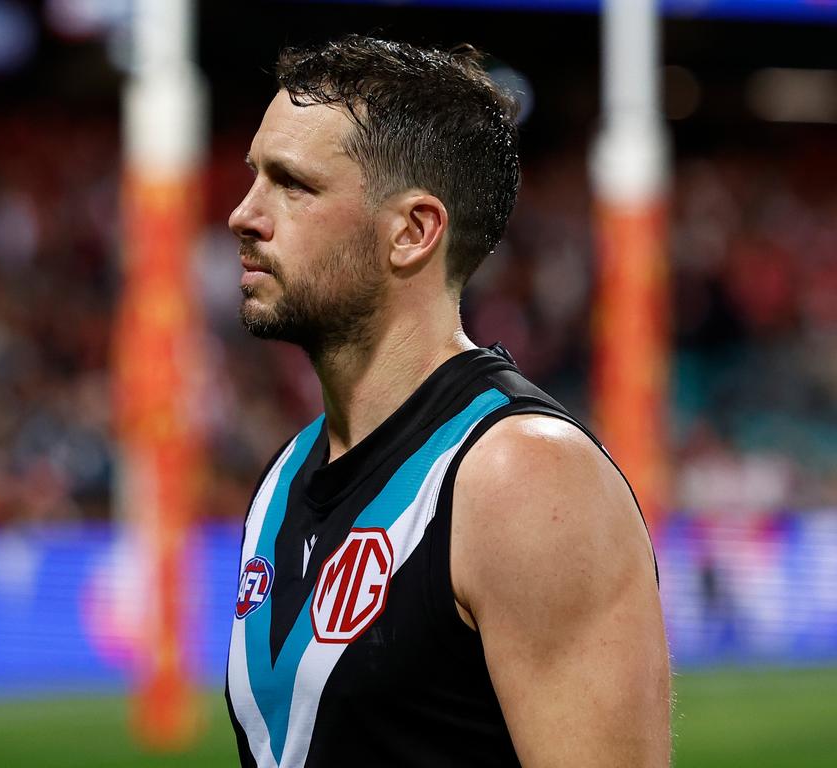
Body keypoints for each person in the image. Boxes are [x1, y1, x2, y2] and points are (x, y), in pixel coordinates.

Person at [224, 35, 670, 767]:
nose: (245, 214)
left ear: (413, 232)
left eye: (292, 185)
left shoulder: (523, 480)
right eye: (253, 178)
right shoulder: (285, 475)